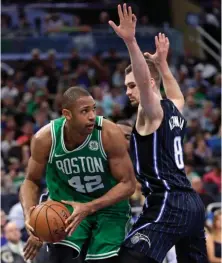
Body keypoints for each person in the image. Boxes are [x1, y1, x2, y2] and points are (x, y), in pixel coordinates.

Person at [109, 4, 208, 263]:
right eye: (127, 87)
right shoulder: (173, 108)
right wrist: (163, 64)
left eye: (131, 85)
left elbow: (144, 82)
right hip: (192, 204)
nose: (128, 91)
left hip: (168, 200)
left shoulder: (150, 111)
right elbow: (177, 94)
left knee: (129, 258)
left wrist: (130, 42)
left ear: (149, 86)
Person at [19, 86, 136, 263]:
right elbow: (30, 181)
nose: (92, 116)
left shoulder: (109, 133)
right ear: (67, 114)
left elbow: (128, 184)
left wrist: (89, 207)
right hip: (67, 206)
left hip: (109, 209)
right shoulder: (45, 139)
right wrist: (30, 216)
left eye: (94, 109)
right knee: (62, 258)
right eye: (84, 111)